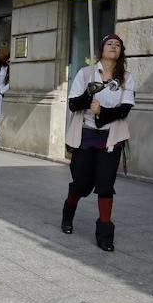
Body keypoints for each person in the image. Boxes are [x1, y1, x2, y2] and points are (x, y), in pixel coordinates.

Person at [61, 34, 135, 251]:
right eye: (109, 44)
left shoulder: (126, 78)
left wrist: (101, 111)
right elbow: (74, 105)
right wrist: (88, 95)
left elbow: (125, 109)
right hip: (85, 136)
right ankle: (68, 213)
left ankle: (104, 232)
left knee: (105, 186)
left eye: (118, 45)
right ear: (101, 49)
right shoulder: (85, 74)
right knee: (81, 184)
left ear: (121, 52)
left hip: (110, 139)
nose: (113, 47)